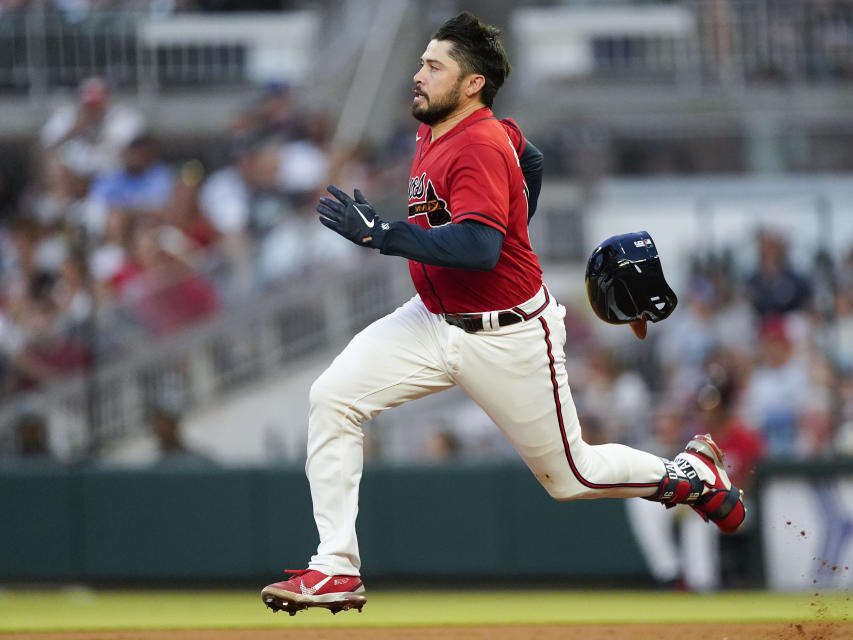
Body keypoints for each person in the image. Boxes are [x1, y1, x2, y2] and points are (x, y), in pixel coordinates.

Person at [260, 12, 745, 616]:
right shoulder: (454, 128)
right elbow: (532, 158)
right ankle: (335, 567)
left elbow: (480, 248)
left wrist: (385, 234)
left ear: (471, 85)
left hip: (507, 334)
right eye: (423, 62)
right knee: (333, 397)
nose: (418, 74)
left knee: (575, 478)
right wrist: (517, 216)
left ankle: (689, 475)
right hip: (432, 318)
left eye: (434, 66)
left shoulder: (480, 143)